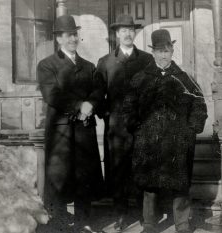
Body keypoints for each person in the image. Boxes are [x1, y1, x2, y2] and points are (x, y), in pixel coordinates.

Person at [123, 29, 208, 233]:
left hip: (178, 140)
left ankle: (182, 224)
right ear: (153, 52)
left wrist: (191, 128)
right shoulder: (140, 78)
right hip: (148, 140)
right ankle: (150, 224)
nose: (163, 55)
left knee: (179, 183)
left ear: (172, 51)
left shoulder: (185, 79)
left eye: (167, 50)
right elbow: (128, 107)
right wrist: (137, 128)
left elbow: (199, 105)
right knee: (149, 184)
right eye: (159, 51)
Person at [37, 15, 105, 233]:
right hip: (61, 131)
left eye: (75, 35)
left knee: (84, 176)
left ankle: (83, 221)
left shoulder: (88, 66)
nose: (72, 39)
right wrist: (79, 106)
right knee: (60, 177)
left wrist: (91, 104)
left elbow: (98, 90)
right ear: (58, 39)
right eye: (67, 36)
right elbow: (52, 94)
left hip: (84, 128)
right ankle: (59, 222)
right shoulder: (47, 65)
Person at [94, 14, 154, 231]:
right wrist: (107, 114)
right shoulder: (105, 62)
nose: (128, 34)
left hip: (142, 126)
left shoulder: (147, 60)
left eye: (131, 29)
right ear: (117, 34)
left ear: (134, 32)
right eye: (123, 30)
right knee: (118, 172)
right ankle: (120, 215)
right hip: (117, 128)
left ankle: (143, 215)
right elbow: (97, 94)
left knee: (141, 170)